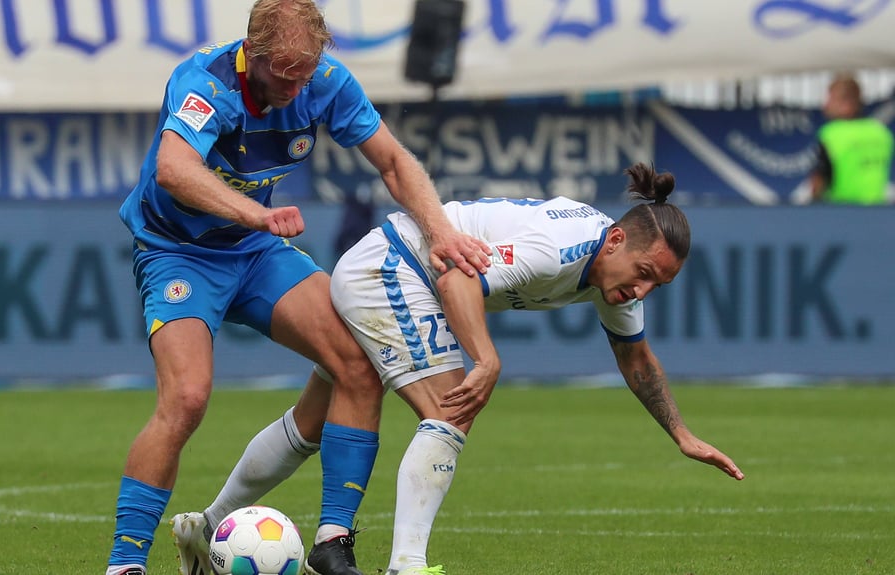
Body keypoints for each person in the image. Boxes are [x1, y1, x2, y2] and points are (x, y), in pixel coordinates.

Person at [104, 0, 491, 573]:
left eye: (303, 72)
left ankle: (331, 546)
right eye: (282, 74)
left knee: (359, 362)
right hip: (177, 254)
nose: (294, 87)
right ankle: (125, 563)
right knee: (186, 399)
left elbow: (390, 160)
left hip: (254, 254)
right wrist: (255, 214)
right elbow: (173, 169)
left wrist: (439, 231)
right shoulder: (206, 80)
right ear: (252, 53)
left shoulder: (326, 80)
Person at [325, 163, 745, 575]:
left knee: (312, 422)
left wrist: (681, 434)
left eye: (658, 285)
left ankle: (312, 541)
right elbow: (457, 280)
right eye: (644, 274)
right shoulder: (559, 249)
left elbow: (636, 358)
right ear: (616, 239)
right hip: (394, 264)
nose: (643, 292)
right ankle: (406, 565)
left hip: (403, 269)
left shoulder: (615, 270)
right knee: (451, 410)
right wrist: (487, 358)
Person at [809, 73, 893, 205]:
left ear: (846, 104)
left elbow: (820, 178)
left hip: (842, 210)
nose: (825, 105)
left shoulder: (832, 133)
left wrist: (812, 204)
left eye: (831, 100)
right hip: (878, 210)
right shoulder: (881, 133)